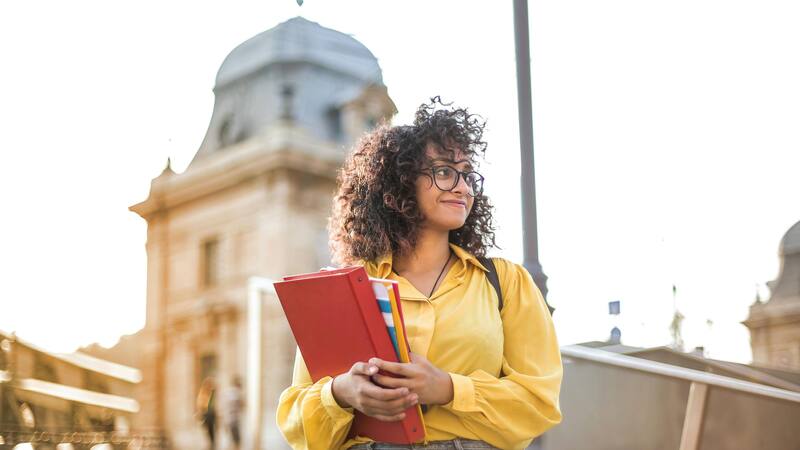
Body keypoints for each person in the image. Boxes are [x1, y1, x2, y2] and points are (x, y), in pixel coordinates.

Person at [276, 97, 562, 450]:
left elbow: (539, 403)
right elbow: (297, 424)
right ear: (400, 184)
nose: (462, 187)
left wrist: (448, 388)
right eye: (444, 171)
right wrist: (342, 393)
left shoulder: (506, 282)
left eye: (467, 174)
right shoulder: (348, 289)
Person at [223, 376, 244, 449]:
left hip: (228, 420)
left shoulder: (227, 393)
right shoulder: (237, 394)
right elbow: (242, 405)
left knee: (231, 440)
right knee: (237, 441)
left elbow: (224, 408)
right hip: (234, 420)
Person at [196, 377, 217, 449]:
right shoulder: (203, 393)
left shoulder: (213, 393)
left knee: (212, 431)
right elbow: (200, 404)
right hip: (206, 414)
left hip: (211, 414)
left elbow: (214, 405)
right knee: (208, 431)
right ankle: (210, 444)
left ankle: (212, 445)